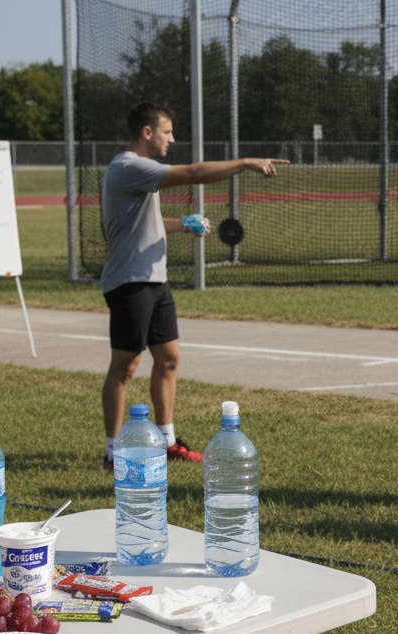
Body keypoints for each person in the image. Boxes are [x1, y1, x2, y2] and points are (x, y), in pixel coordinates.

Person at [101, 102, 288, 469]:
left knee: (169, 359)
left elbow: (145, 223)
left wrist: (182, 224)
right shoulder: (129, 166)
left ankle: (168, 442)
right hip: (130, 282)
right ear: (147, 133)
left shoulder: (138, 172)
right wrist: (245, 163)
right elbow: (193, 173)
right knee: (125, 367)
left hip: (155, 280)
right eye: (167, 132)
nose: (172, 139)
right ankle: (113, 453)